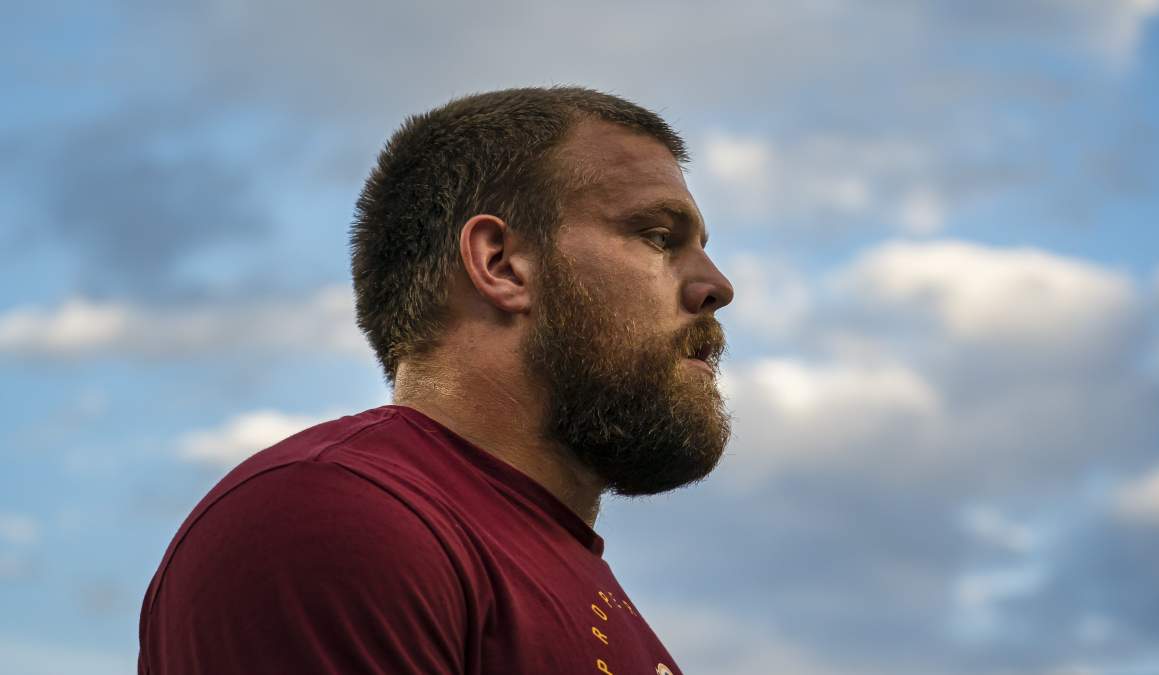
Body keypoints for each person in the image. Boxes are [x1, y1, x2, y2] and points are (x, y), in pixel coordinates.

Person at [138, 86, 735, 675]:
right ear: (502, 264)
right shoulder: (337, 517)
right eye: (659, 237)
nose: (717, 287)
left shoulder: (569, 580)